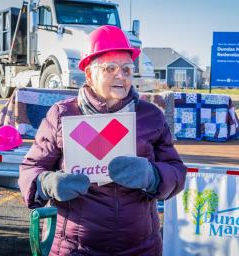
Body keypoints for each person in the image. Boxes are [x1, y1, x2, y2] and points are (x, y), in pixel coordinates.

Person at [19, 25, 187, 256]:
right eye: (110, 68)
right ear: (89, 74)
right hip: (75, 248)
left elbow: (177, 172)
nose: (121, 75)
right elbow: (30, 169)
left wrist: (153, 175)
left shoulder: (151, 116)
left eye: (127, 69)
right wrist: (46, 183)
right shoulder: (63, 115)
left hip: (141, 248)